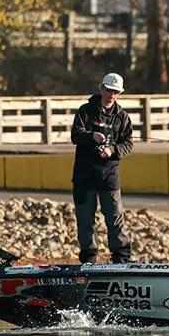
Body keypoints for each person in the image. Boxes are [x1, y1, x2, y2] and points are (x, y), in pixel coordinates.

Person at [71, 72, 134, 263]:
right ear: (101, 88)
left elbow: (128, 144)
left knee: (115, 218)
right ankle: (89, 258)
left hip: (109, 176)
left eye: (115, 92)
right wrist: (92, 137)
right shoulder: (85, 111)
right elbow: (75, 135)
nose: (111, 95)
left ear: (119, 94)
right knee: (85, 219)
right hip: (84, 175)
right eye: (108, 90)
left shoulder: (122, 117)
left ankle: (121, 257)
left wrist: (113, 150)